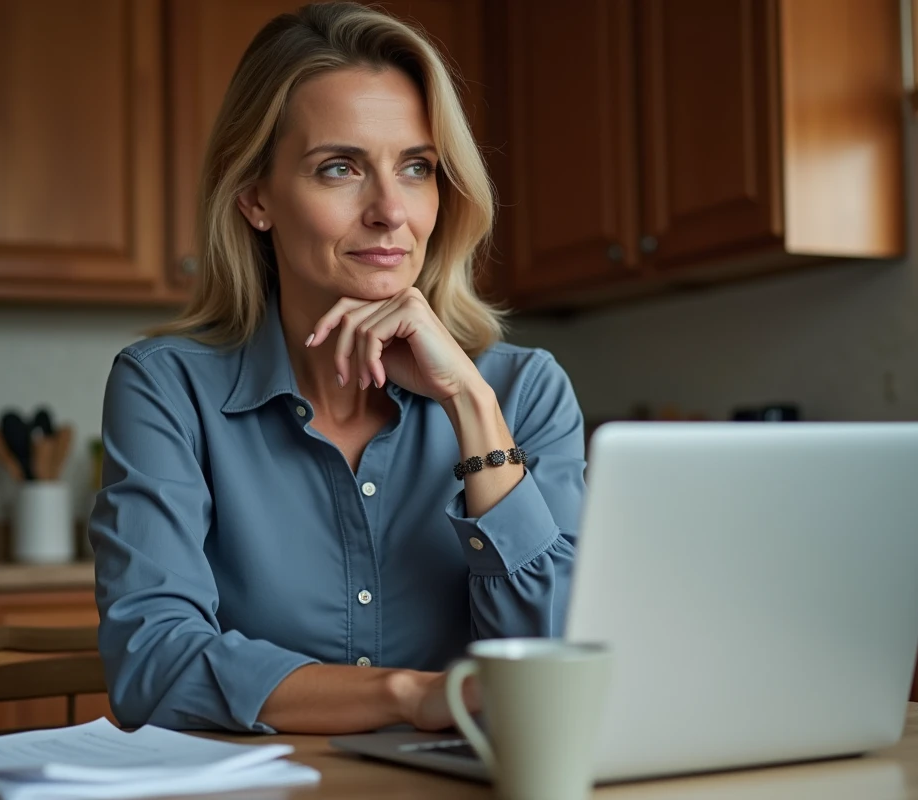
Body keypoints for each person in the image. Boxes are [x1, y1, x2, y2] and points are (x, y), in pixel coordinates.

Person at [89, 1, 585, 735]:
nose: (391, 210)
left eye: (416, 167)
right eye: (340, 168)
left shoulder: (521, 390)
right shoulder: (167, 388)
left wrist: (472, 410)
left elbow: (556, 672)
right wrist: (413, 697)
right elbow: (154, 665)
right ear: (256, 197)